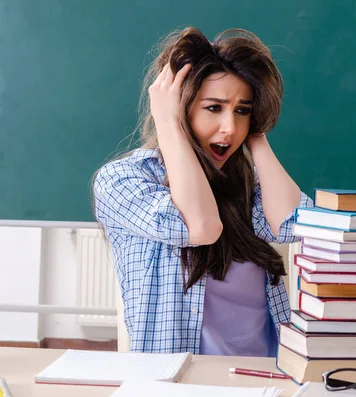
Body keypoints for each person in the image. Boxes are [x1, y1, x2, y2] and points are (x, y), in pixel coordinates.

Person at [92, 26, 312, 356]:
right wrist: (168, 124)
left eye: (242, 110)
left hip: (266, 376)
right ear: (181, 107)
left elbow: (296, 226)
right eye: (214, 107)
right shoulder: (122, 180)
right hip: (181, 381)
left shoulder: (249, 182)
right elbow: (200, 227)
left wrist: (257, 132)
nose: (230, 127)